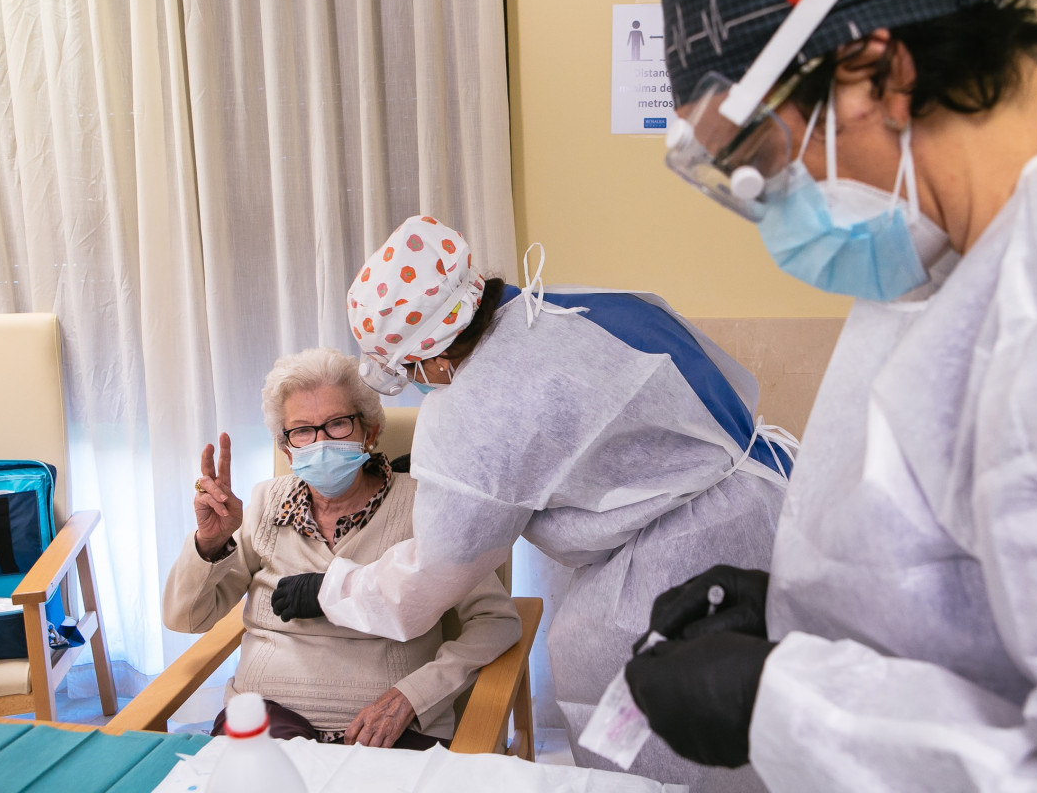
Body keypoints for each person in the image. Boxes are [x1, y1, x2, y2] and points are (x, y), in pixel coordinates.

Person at [622, 0, 1037, 791]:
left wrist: (788, 707)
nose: (777, 197)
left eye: (761, 155)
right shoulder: (983, 241)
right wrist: (810, 616)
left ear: (876, 71)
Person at [272, 215, 797, 791]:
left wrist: (331, 589)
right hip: (766, 504)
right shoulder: (567, 307)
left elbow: (427, 583)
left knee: (665, 734)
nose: (417, 381)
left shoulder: (472, 415)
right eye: (303, 432)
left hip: (684, 561)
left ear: (432, 355)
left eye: (409, 369)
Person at [164, 347, 521, 749]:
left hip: (390, 728)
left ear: (369, 431)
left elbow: (496, 620)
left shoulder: (426, 507)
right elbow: (186, 618)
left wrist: (415, 696)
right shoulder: (263, 505)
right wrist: (209, 543)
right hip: (267, 717)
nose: (319, 442)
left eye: (337, 424)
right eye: (301, 430)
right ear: (287, 448)